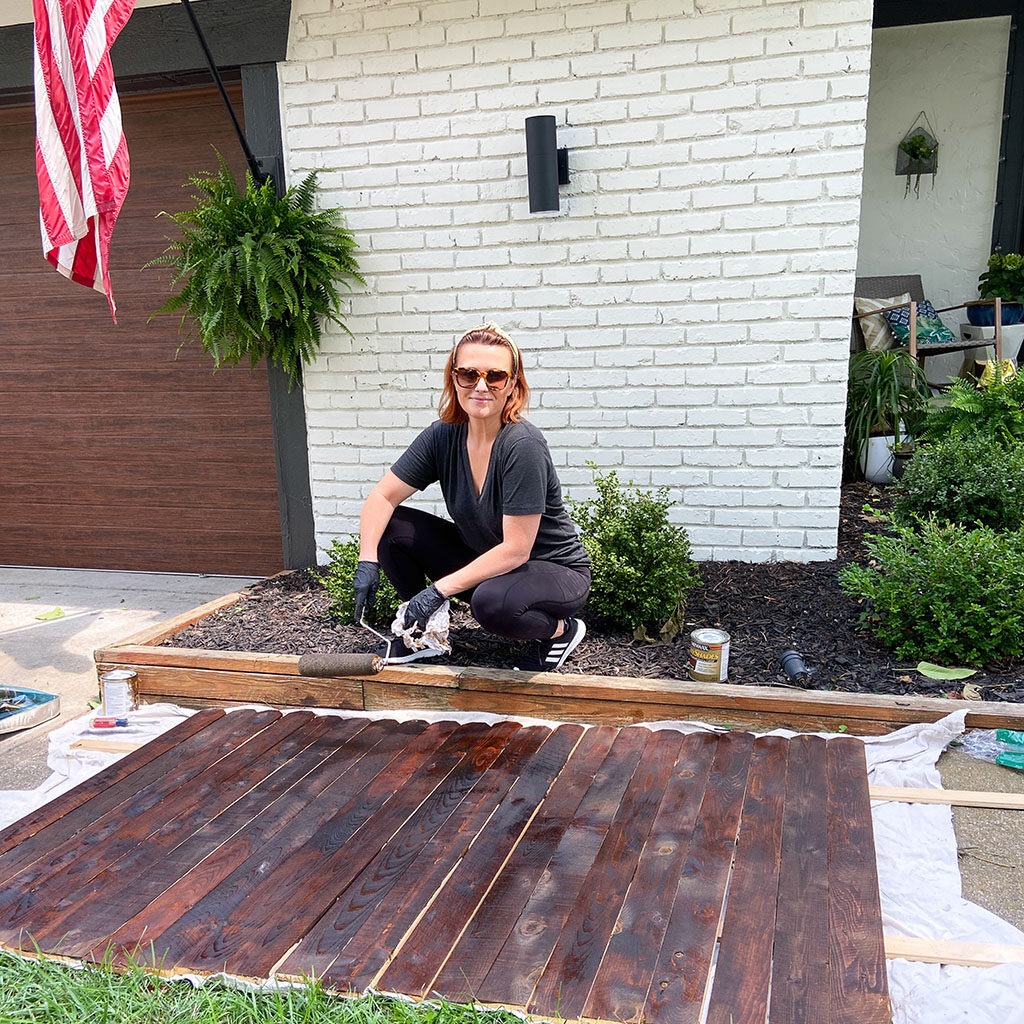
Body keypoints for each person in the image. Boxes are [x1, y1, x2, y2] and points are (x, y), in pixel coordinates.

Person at [352, 322, 591, 671]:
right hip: (491, 563)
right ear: (454, 378)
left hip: (554, 572)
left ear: (512, 384)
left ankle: (560, 632)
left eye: (495, 376)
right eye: (468, 374)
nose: (481, 386)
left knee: (492, 604)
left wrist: (436, 591)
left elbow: (516, 550)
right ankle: (423, 636)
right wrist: (367, 560)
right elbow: (383, 497)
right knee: (391, 527)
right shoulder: (443, 436)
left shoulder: (522, 445)